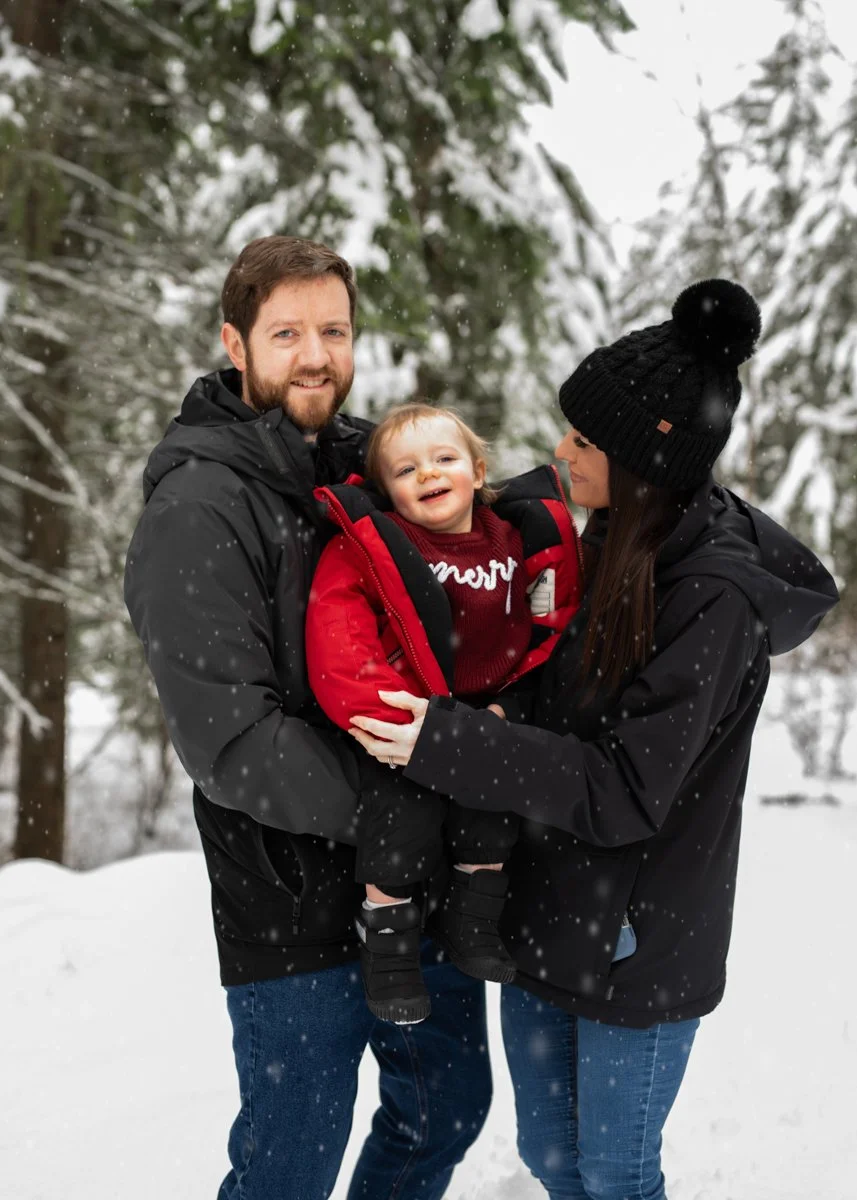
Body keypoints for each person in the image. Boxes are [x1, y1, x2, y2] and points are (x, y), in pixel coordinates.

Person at [348, 279, 839, 1200]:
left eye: (583, 440)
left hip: (637, 935)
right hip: (548, 907)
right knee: (552, 1160)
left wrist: (445, 743)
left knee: (614, 1172)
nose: (559, 452)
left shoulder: (712, 597)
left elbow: (623, 786)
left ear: (646, 460)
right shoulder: (603, 537)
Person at [124, 236, 494, 1200]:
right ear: (234, 344)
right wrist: (402, 808)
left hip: (413, 887)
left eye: (333, 329)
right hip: (284, 887)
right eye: (286, 333)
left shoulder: (375, 468)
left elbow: (476, 569)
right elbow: (229, 737)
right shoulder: (198, 502)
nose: (316, 355)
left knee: (444, 1109)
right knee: (292, 1160)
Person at [306, 402, 584, 1023]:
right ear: (386, 492)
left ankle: (472, 920)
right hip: (406, 721)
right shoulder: (376, 546)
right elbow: (338, 637)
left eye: (444, 459)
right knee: (401, 827)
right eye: (405, 469)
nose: (427, 474)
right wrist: (394, 718)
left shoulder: (514, 539)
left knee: (493, 819)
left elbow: (550, 626)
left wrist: (516, 707)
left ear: (478, 470)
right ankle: (389, 947)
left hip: (489, 718)